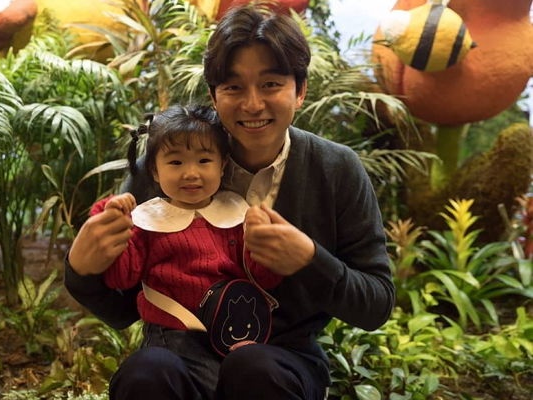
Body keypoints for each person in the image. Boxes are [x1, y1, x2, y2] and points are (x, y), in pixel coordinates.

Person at [65, 3, 395, 400]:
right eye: (234, 87)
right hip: (176, 353)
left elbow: (375, 304)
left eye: (271, 84)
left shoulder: (335, 169)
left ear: (300, 90)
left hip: (282, 361)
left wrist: (310, 260)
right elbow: (122, 310)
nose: (252, 104)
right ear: (214, 95)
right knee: (144, 373)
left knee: (253, 368)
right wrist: (81, 270)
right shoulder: (166, 167)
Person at [83, 104, 281, 339]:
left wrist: (262, 240)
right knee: (155, 361)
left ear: (223, 166)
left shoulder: (237, 213)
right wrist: (110, 218)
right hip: (168, 335)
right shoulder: (146, 222)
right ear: (154, 170)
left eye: (204, 160)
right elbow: (121, 278)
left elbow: (265, 280)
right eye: (176, 162)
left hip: (228, 333)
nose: (191, 174)